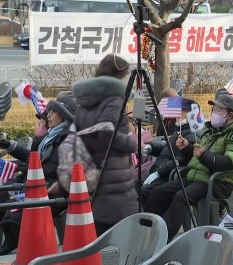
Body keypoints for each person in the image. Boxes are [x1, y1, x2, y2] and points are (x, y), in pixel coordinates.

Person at [144, 94, 233, 241]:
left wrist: (203, 155)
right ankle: (147, 233)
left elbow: (228, 164)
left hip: (218, 182)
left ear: (230, 115)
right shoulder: (212, 131)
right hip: (196, 176)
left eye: (219, 110)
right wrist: (187, 149)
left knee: (181, 197)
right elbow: (196, 158)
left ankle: (162, 240)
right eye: (214, 109)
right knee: (159, 192)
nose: (214, 112)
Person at [0, 97, 76, 255]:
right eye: (48, 112)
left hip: (52, 190)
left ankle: (18, 242)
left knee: (13, 209)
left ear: (63, 114)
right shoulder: (48, 138)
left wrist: (57, 186)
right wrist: (9, 146)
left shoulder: (67, 140)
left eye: (52, 112)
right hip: (34, 185)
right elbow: (34, 160)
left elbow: (70, 172)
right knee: (3, 196)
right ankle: (11, 238)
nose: (48, 116)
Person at [73, 54, 138, 236]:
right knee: (122, 237)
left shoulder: (84, 102)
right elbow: (108, 134)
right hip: (115, 176)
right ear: (120, 75)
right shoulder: (114, 100)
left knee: (98, 235)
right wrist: (132, 143)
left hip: (91, 172)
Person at [142, 99, 199, 203]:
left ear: (191, 114)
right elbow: (167, 149)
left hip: (168, 175)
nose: (177, 114)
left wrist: (159, 172)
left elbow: (183, 160)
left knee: (144, 191)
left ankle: (147, 217)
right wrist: (151, 147)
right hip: (159, 170)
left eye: (181, 111)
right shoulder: (179, 130)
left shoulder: (191, 134)